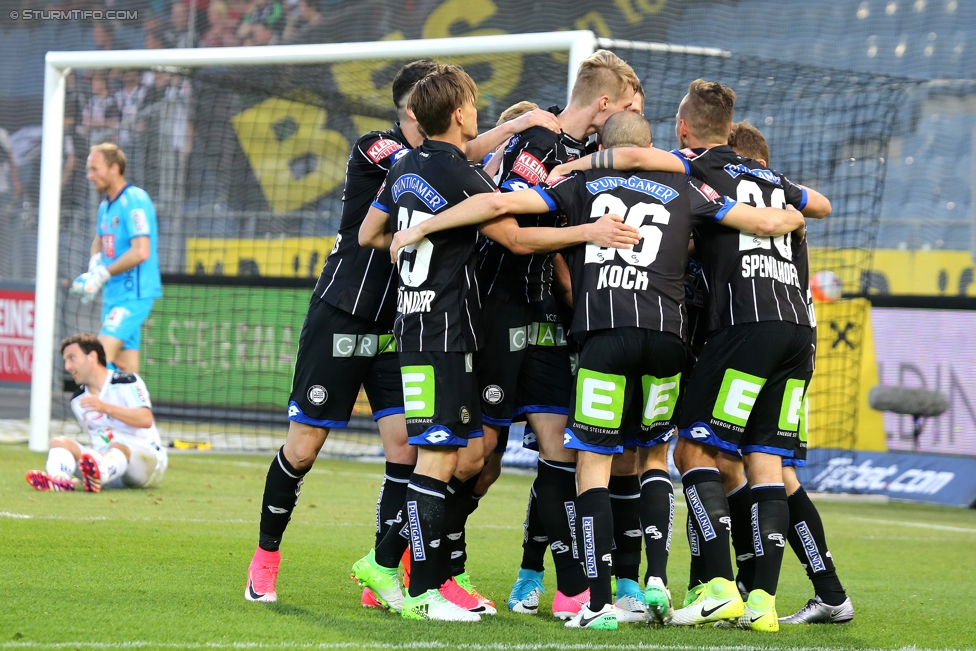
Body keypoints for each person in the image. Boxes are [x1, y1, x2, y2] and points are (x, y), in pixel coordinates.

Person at [390, 110, 805, 630]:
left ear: (603, 145)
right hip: (669, 343)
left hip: (605, 338)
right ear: (652, 146)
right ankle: (651, 581)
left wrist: (424, 225)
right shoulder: (686, 188)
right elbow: (762, 223)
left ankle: (597, 603)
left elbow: (497, 204)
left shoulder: (581, 183)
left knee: (591, 465)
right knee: (653, 454)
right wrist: (792, 216)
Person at [243, 59, 562, 606]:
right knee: (304, 446)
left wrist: (508, 133)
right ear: (417, 110)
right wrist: (512, 149)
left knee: (411, 453)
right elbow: (447, 168)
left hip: (402, 323)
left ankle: (385, 576)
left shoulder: (437, 160)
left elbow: (457, 163)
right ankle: (265, 560)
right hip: (345, 312)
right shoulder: (381, 149)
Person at [550, 79, 831, 631]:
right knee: (766, 466)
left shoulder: (690, 171)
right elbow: (815, 205)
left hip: (732, 331)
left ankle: (716, 585)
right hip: (798, 333)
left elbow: (633, 153)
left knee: (693, 453)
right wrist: (791, 213)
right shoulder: (774, 184)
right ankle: (778, 598)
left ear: (683, 131)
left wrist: (577, 164)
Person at [473, 50, 641, 621]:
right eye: (621, 106)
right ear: (602, 102)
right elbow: (510, 234)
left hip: (546, 319)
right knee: (478, 459)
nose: (621, 119)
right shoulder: (539, 141)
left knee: (560, 450)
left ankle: (571, 589)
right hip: (496, 309)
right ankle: (420, 563)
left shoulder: (583, 157)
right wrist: (586, 235)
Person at [727, 121, 854, 625]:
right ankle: (825, 591)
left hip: (773, 343)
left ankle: (767, 583)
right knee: (769, 468)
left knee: (764, 467)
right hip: (797, 344)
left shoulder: (761, 207)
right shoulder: (786, 207)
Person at [26, 334, 167, 493]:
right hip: (110, 466)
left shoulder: (127, 381)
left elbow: (146, 419)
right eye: (65, 360)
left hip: (145, 463)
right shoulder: (78, 399)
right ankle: (60, 480)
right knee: (59, 442)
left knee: (119, 447)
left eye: (72, 358)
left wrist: (105, 407)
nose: (67, 367)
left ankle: (98, 475)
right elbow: (99, 438)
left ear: (92, 356)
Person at [71, 144, 161, 374]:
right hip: (114, 298)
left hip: (133, 297)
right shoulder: (105, 207)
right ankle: (138, 410)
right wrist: (94, 269)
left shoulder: (134, 200)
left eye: (94, 169)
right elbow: (98, 242)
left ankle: (99, 410)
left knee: (96, 361)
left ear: (114, 168)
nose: (89, 176)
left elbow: (141, 251)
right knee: (125, 372)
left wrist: (104, 273)